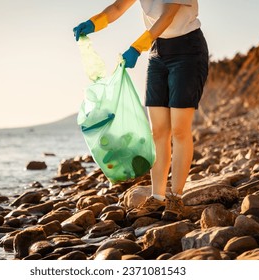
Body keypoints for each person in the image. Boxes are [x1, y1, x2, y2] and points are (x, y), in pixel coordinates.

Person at [73, 0, 208, 221]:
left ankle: (176, 198)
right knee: (158, 131)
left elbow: (168, 15)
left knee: (180, 130)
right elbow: (117, 8)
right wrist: (93, 23)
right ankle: (157, 197)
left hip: (188, 52)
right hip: (157, 52)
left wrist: (137, 47)